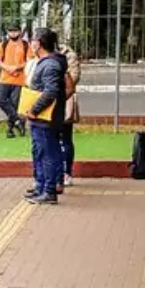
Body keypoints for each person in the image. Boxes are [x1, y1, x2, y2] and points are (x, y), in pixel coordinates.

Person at [23, 28, 67, 205]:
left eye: (33, 40)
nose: (31, 43)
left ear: (39, 43)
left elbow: (50, 91)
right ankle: (42, 187)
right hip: (43, 118)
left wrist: (34, 109)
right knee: (42, 151)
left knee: (47, 153)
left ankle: (48, 190)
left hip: (45, 118)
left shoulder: (50, 65)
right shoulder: (48, 62)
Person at [0, 24, 30, 138]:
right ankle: (18, 121)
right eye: (10, 31)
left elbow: (29, 61)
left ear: (19, 32)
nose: (12, 33)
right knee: (0, 99)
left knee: (14, 105)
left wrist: (17, 67)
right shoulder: (3, 44)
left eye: (15, 31)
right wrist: (7, 68)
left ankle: (10, 129)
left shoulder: (25, 45)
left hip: (19, 80)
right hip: (4, 78)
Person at [57, 42, 81, 189]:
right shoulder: (37, 56)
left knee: (65, 138)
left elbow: (74, 77)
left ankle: (67, 172)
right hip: (43, 100)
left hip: (64, 99)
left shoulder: (69, 56)